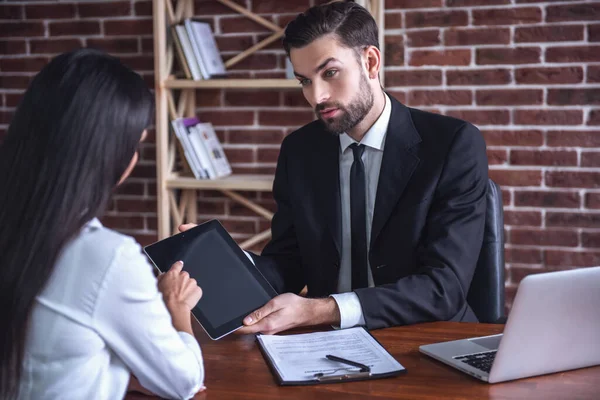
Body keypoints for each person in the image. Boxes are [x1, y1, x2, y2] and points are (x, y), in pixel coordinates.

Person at [182, 1, 489, 335]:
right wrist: (237, 265)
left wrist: (320, 310)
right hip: (325, 346)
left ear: (370, 62)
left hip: (427, 339)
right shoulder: (299, 150)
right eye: (304, 81)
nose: (317, 97)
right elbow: (290, 263)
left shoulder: (452, 145)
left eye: (329, 73)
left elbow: (444, 288)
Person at [0, 49, 204, 400]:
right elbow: (183, 382)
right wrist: (178, 308)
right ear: (108, 152)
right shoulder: (107, 257)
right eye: (135, 145)